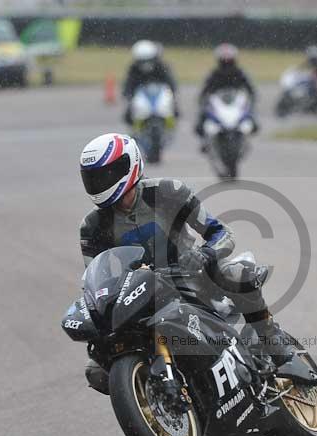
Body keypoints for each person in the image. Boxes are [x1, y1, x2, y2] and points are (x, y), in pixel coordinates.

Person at [77, 133, 293, 395]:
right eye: (94, 176)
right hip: (140, 298)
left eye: (108, 173)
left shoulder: (169, 192)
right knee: (97, 371)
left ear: (129, 165)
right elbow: (95, 279)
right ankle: (159, 402)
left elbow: (221, 233)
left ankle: (272, 340)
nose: (100, 182)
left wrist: (205, 255)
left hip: (193, 277)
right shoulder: (92, 227)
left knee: (237, 274)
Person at [194, 43, 258, 136]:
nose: (226, 63)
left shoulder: (239, 73)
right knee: (204, 111)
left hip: (235, 99)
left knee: (249, 109)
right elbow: (206, 87)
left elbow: (249, 87)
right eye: (224, 60)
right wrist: (203, 98)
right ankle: (202, 130)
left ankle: (253, 123)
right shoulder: (215, 73)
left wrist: (252, 95)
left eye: (228, 60)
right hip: (218, 100)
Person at [122, 40, 178, 125]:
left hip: (159, 93)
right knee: (129, 113)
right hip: (141, 94)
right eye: (142, 61)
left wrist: (173, 92)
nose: (146, 64)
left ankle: (170, 125)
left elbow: (169, 80)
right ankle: (135, 129)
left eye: (148, 60)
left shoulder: (161, 66)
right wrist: (128, 95)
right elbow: (129, 83)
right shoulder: (134, 69)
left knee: (174, 109)